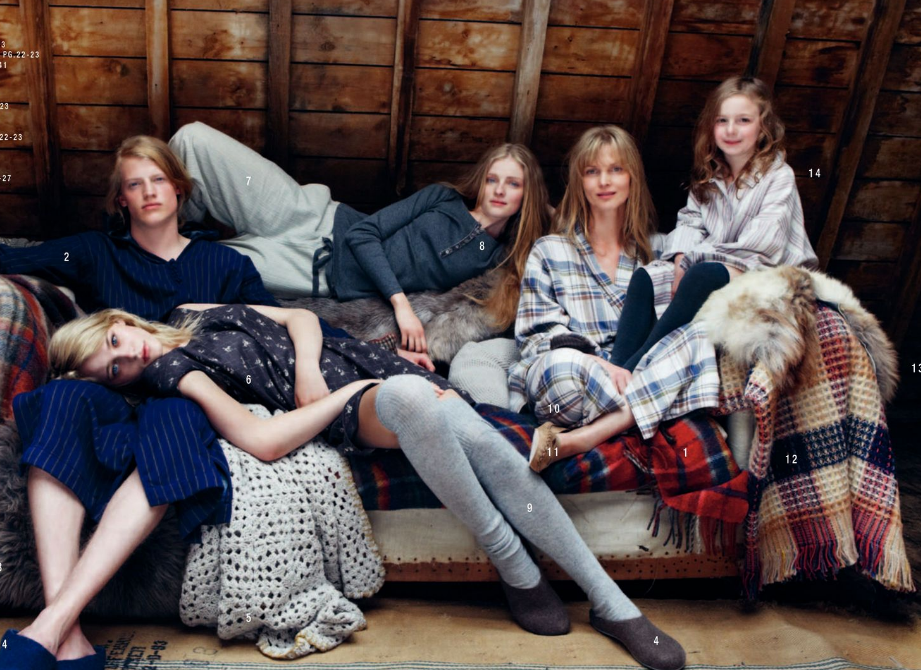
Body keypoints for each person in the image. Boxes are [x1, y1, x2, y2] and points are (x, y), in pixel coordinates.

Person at [46, 303, 687, 670]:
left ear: (119, 320)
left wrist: (309, 363)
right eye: (115, 369)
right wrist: (346, 391)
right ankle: (554, 579)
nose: (129, 356)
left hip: (358, 362)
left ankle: (577, 592)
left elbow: (299, 315)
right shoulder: (172, 373)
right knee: (414, 399)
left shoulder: (192, 313)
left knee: (481, 440)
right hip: (351, 404)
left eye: (116, 341)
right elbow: (261, 441)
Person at [0, 135, 278, 670]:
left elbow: (269, 329)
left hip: (188, 393)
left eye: (158, 180)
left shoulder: (226, 264)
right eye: (134, 184)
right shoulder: (94, 253)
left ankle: (46, 633)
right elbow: (12, 257)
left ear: (179, 188)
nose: (149, 192)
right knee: (60, 398)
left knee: (175, 418)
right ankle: (66, 634)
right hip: (112, 390)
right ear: (120, 199)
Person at [531, 79, 819, 465]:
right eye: (722, 121)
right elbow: (688, 223)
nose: (731, 130)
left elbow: (759, 244)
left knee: (702, 275)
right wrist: (682, 255)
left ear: (763, 127)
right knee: (648, 277)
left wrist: (693, 261)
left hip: (768, 274)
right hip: (719, 270)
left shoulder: (778, 177)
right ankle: (618, 368)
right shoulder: (709, 178)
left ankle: (632, 370)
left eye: (743, 120)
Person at [169, 122, 550, 353]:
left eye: (513, 184)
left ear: (527, 194)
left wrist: (542, 213)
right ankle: (172, 220)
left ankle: (169, 243)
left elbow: (557, 227)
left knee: (185, 265)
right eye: (492, 179)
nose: (499, 190)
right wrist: (401, 306)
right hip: (310, 215)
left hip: (311, 272)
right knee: (194, 141)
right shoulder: (443, 198)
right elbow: (365, 234)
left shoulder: (490, 256)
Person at [509, 125, 719, 474]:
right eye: (592, 171)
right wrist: (599, 363)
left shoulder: (658, 251)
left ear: (632, 178)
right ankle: (636, 411)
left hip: (634, 375)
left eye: (616, 169)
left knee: (699, 337)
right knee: (561, 369)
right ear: (579, 182)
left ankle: (585, 437)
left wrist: (628, 371)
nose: (604, 181)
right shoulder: (549, 250)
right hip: (574, 377)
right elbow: (535, 338)